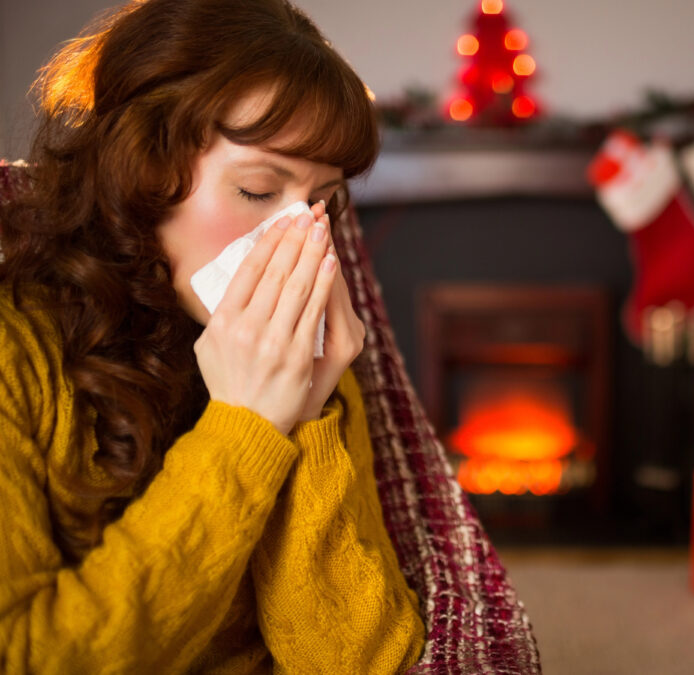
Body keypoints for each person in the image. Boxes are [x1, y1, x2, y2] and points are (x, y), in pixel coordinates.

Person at [0, 0, 426, 672]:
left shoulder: (311, 353)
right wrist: (245, 428)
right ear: (137, 176)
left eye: (324, 202)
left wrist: (306, 414)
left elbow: (363, 660)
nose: (305, 238)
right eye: (259, 188)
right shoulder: (15, 354)